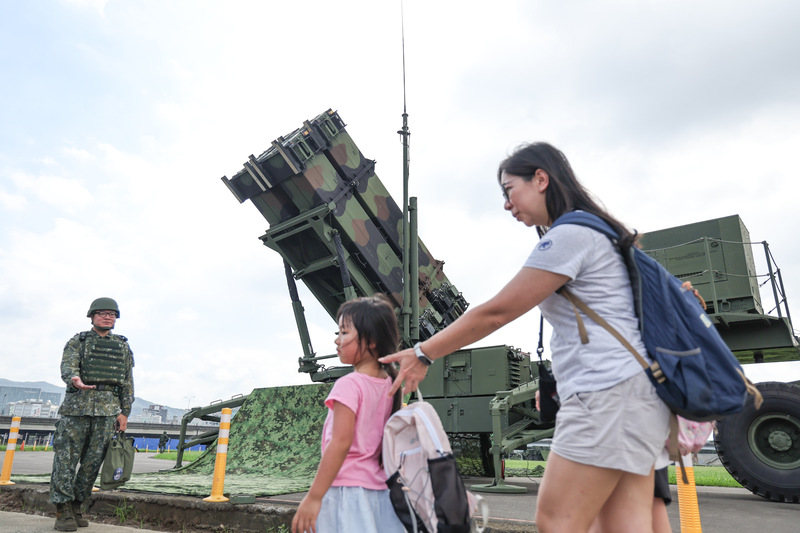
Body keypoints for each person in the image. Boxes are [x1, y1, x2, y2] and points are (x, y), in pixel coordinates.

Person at [380, 142, 670, 533]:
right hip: (638, 397)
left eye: (509, 189)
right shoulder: (598, 230)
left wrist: (423, 352)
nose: (506, 203)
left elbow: (496, 312)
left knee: (556, 520)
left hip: (604, 397)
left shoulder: (569, 235)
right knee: (624, 523)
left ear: (541, 179)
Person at [291, 296, 406, 533]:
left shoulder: (349, 384)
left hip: (346, 492)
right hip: (379, 491)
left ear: (372, 341)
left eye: (344, 332)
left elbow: (340, 443)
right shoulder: (391, 384)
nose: (337, 340)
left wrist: (313, 496)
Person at [50, 297, 135, 531]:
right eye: (103, 313)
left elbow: (127, 381)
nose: (108, 317)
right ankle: (62, 509)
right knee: (65, 460)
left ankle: (78, 505)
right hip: (77, 408)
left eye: (113, 314)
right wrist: (74, 379)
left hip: (107, 411)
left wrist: (124, 412)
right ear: (92, 316)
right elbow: (68, 367)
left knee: (92, 463)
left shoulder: (122, 346)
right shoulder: (78, 341)